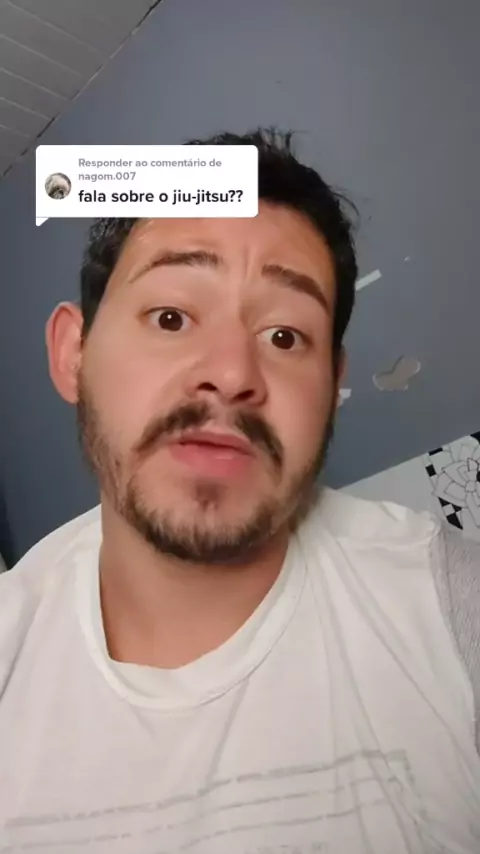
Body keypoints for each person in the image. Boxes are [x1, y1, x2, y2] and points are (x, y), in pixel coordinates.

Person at [1, 129, 479, 854]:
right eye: (171, 317)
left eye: (286, 336)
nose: (231, 373)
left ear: (332, 382)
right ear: (74, 354)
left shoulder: (448, 613)